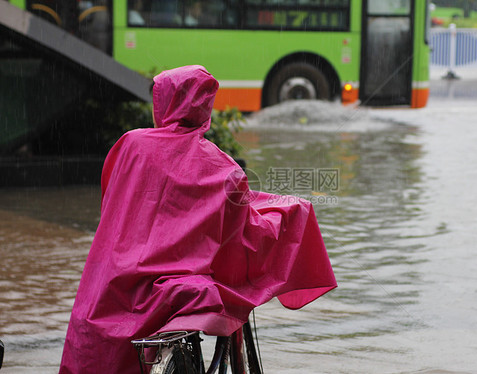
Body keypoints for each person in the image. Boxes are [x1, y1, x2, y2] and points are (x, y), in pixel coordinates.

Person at [59, 65, 337, 373]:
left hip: (116, 285)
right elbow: (239, 235)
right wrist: (290, 214)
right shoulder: (223, 167)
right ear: (205, 107)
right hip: (180, 290)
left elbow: (113, 207)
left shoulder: (131, 146)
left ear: (161, 104)